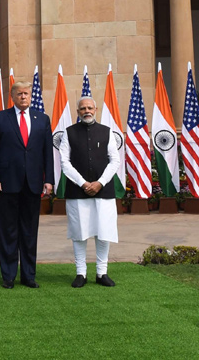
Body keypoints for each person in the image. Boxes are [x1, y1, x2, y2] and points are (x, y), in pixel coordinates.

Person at [0, 80, 53, 288]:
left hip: (32, 184)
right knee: (7, 230)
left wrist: (49, 179)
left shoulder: (42, 119)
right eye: (19, 94)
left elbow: (47, 153)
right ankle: (8, 275)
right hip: (7, 184)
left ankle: (28, 275)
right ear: (12, 96)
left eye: (26, 93)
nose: (23, 97)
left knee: (29, 231)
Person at [58, 96, 120, 287]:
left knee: (103, 232)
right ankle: (80, 273)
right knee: (80, 232)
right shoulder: (69, 133)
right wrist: (83, 183)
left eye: (90, 108)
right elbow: (64, 162)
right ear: (77, 112)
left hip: (104, 190)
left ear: (96, 109)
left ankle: (102, 273)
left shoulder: (107, 132)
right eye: (83, 108)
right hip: (78, 191)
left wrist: (99, 183)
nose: (87, 111)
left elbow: (115, 161)